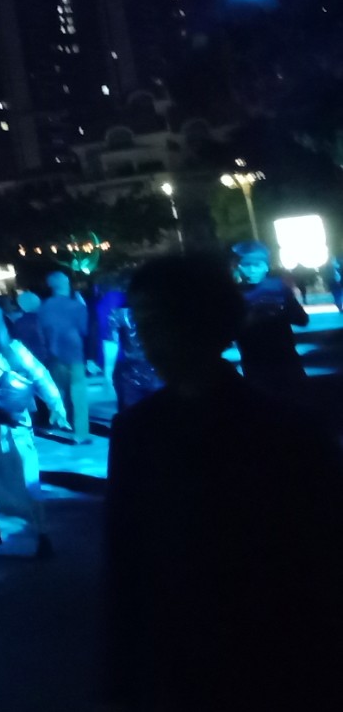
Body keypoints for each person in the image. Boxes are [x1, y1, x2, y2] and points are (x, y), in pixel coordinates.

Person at [105, 254, 343, 712]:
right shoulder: (136, 432)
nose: (151, 340)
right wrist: (123, 677)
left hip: (283, 661)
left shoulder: (290, 432)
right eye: (143, 324)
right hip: (181, 668)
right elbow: (126, 562)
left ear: (209, 321)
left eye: (164, 322)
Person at [0, 293, 68, 557]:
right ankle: (40, 533)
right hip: (14, 423)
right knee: (27, 476)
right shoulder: (14, 348)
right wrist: (56, 404)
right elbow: (40, 375)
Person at [231, 240, 309, 398]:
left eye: (257, 264)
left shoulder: (279, 289)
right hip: (255, 364)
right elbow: (226, 331)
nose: (252, 270)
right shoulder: (232, 294)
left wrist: (281, 311)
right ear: (238, 266)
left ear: (266, 266)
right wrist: (251, 319)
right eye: (246, 264)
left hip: (287, 360)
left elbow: (302, 320)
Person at [37, 270, 93, 444]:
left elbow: (41, 333)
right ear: (66, 284)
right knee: (78, 394)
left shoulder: (44, 308)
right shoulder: (76, 306)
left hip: (54, 355)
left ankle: (60, 423)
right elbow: (85, 330)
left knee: (59, 392)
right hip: (74, 353)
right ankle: (81, 433)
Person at [111, 295, 162, 414]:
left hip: (130, 373)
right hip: (156, 371)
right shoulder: (162, 313)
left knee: (131, 413)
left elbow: (111, 343)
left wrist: (108, 371)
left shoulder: (119, 314)